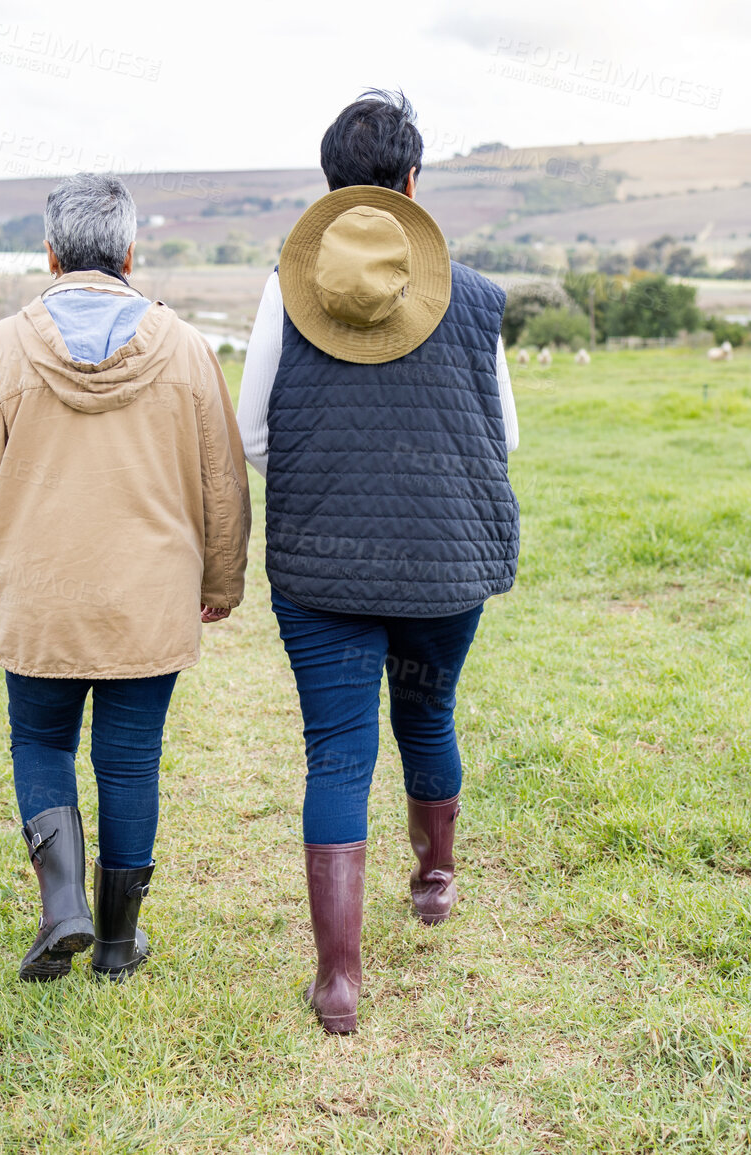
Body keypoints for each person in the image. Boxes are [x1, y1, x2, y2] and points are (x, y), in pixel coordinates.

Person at [236, 90, 520, 1033]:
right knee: (427, 712)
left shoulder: (283, 291)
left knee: (337, 751)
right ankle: (434, 879)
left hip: (322, 569)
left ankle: (339, 979)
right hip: (444, 562)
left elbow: (251, 435)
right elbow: (503, 437)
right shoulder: (475, 297)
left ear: (327, 188)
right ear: (411, 184)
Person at [0, 172, 251, 983]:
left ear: (49, 253)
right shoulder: (184, 347)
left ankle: (62, 909)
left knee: (40, 740)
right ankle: (116, 943)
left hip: (40, 596)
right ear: (129, 251)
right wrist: (222, 577)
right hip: (147, 599)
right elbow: (222, 477)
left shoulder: (1, 349)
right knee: (131, 760)